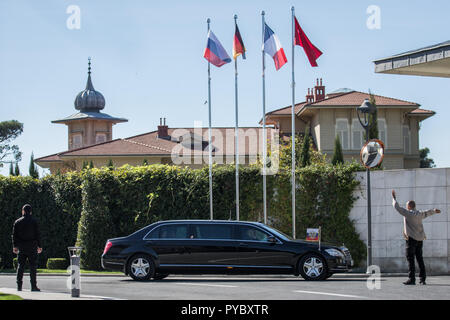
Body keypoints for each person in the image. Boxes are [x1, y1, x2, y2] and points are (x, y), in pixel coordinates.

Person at [391, 190, 441, 285]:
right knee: (420, 259)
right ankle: (422, 279)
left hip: (411, 239)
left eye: (407, 205)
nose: (406, 207)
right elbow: (427, 212)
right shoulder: (419, 213)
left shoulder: (408, 213)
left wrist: (394, 198)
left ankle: (412, 279)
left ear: (409, 206)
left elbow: (397, 207)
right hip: (420, 239)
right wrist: (434, 210)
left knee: (410, 259)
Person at [12, 204, 42, 292]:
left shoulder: (17, 222)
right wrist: (39, 246)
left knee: (20, 266)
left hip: (21, 246)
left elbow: (14, 235)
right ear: (31, 212)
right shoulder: (34, 221)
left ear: (23, 211)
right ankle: (33, 286)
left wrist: (15, 246)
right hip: (32, 246)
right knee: (33, 267)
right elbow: (38, 234)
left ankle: (19, 286)